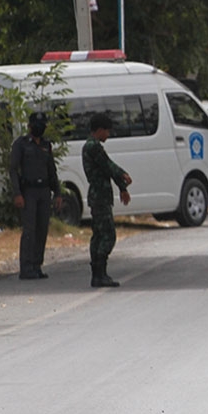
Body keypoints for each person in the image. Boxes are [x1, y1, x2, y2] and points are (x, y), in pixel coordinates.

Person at [82, 113, 132, 287]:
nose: (108, 135)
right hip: (100, 197)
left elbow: (106, 169)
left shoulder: (90, 146)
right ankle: (99, 273)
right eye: (107, 131)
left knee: (98, 235)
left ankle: (98, 274)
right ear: (100, 130)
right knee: (107, 235)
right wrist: (122, 175)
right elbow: (108, 165)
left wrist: (122, 186)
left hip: (98, 196)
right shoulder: (93, 147)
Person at [10, 111, 61, 280]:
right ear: (30, 126)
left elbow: (52, 171)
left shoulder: (46, 145)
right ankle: (26, 267)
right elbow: (13, 169)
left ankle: (37, 265)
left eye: (43, 125)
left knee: (42, 229)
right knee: (29, 230)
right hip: (28, 192)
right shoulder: (21, 144)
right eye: (37, 124)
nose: (40, 128)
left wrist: (58, 192)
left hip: (44, 191)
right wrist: (17, 193)